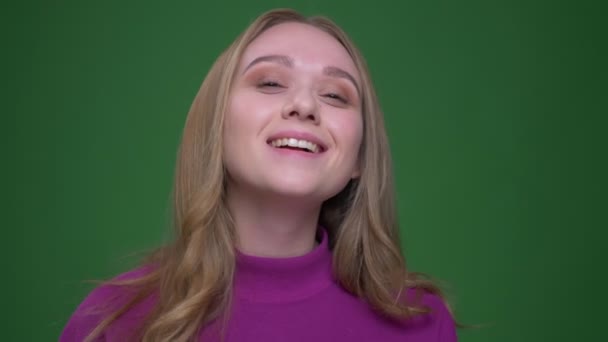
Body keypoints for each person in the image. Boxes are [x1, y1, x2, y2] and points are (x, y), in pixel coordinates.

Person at [60, 8, 458, 342]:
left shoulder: (422, 323)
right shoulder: (110, 321)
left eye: (335, 95)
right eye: (269, 83)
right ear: (215, 127)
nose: (304, 105)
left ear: (359, 159)